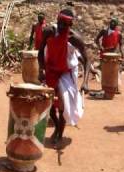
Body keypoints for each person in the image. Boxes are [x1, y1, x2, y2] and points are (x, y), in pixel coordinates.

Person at [38, 9, 90, 144]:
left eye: (65, 25)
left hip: (66, 73)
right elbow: (40, 51)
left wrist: (85, 82)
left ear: (70, 25)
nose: (61, 27)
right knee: (48, 104)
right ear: (57, 20)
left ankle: (59, 134)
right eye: (59, 23)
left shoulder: (75, 38)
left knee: (64, 105)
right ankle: (56, 125)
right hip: (50, 71)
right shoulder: (48, 32)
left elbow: (87, 60)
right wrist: (41, 70)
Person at [93, 17, 124, 95]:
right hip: (104, 53)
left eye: (114, 24)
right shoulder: (104, 31)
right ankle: (105, 87)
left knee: (115, 70)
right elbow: (96, 40)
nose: (112, 25)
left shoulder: (119, 34)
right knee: (104, 70)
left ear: (116, 25)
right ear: (109, 23)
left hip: (113, 54)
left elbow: (121, 45)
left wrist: (122, 53)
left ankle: (116, 87)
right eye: (111, 23)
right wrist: (100, 47)